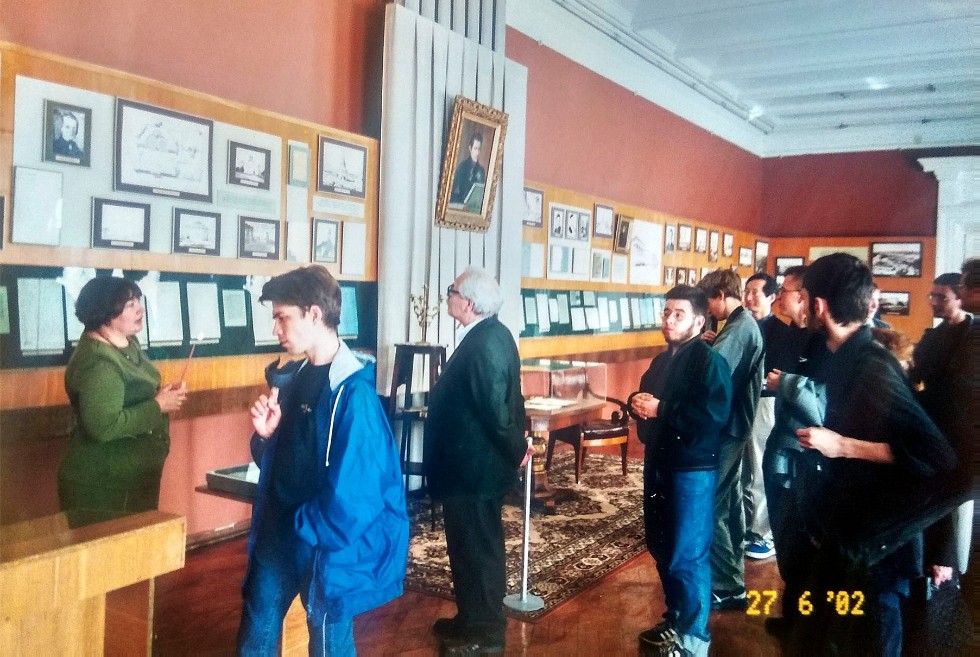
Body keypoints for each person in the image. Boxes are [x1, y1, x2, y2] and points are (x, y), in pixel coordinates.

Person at [790, 253, 958, 656]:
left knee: (873, 641)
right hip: (847, 530)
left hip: (877, 543)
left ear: (819, 305)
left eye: (802, 298)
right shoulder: (836, 353)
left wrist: (841, 445)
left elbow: (935, 457)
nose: (798, 305)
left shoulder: (871, 367)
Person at [238, 265, 408, 655]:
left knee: (328, 644)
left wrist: (307, 527)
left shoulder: (355, 395)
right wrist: (266, 438)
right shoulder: (294, 377)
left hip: (321, 543)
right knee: (256, 634)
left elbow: (357, 496)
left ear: (314, 314)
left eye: (283, 318)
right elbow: (282, 461)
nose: (276, 330)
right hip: (280, 532)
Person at [423, 266, 529, 655]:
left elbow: (497, 411)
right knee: (467, 550)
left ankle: (486, 635)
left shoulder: (484, 343)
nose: (447, 296)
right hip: (469, 471)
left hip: (475, 473)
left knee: (479, 552)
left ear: (468, 303)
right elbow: (508, 401)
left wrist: (517, 449)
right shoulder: (492, 335)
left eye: (451, 291)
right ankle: (470, 618)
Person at [631, 285, 733, 657]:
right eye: (666, 313)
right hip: (660, 462)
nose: (669, 321)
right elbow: (645, 399)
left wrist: (660, 409)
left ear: (699, 322)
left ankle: (694, 641)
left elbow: (712, 416)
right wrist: (635, 403)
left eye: (678, 314)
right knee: (662, 547)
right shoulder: (661, 362)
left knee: (687, 554)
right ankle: (676, 619)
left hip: (692, 469)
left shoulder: (710, 362)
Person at [58, 276, 187, 514]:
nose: (140, 308)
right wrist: (158, 406)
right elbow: (104, 426)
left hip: (133, 478)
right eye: (130, 304)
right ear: (106, 313)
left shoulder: (128, 342)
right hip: (104, 485)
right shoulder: (99, 363)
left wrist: (162, 396)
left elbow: (135, 392)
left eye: (138, 300)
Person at [697, 268, 764, 610]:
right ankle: (731, 575)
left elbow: (713, 376)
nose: (707, 309)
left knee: (715, 505)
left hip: (730, 426)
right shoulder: (740, 324)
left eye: (708, 302)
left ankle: (727, 586)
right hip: (736, 425)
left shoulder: (739, 328)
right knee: (730, 501)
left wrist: (699, 349)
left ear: (721, 295)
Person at [909, 273, 975, 583]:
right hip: (934, 424)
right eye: (932, 296)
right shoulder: (931, 337)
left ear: (960, 298)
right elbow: (915, 375)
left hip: (965, 428)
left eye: (941, 297)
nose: (934, 302)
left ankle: (952, 566)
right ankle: (933, 562)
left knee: (958, 501)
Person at [741, 273, 786, 560]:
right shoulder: (741, 326)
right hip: (741, 403)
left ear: (771, 297)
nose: (748, 298)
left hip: (765, 404)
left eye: (755, 292)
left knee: (759, 467)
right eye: (746, 292)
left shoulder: (781, 332)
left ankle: (764, 533)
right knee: (742, 469)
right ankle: (748, 526)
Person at [449, 131, 486, 205]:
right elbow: (452, 189)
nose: (477, 152)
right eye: (475, 148)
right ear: (470, 148)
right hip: (461, 204)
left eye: (479, 149)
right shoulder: (462, 167)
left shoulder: (482, 170)